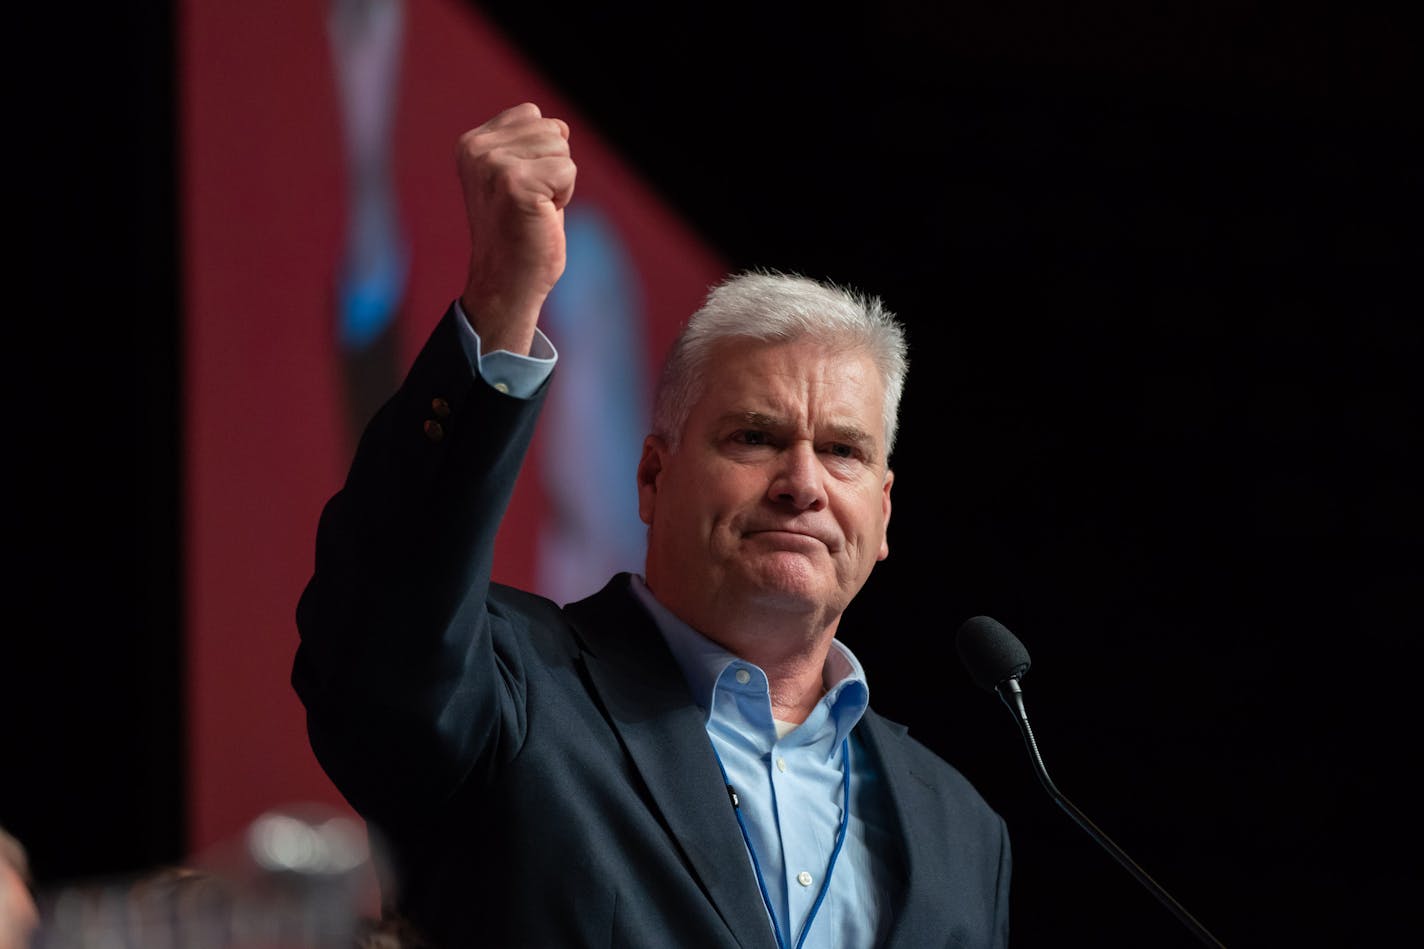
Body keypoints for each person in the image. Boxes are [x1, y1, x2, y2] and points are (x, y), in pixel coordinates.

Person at [294, 102, 1010, 948]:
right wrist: (500, 298)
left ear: (883, 512)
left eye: (844, 450)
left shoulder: (963, 829)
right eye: (756, 436)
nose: (803, 483)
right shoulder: (514, 688)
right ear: (652, 477)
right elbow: (376, 636)